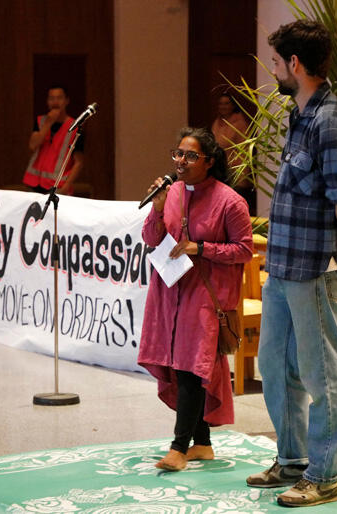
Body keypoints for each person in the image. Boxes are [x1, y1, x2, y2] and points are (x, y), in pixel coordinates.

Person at [244, 20, 337, 507]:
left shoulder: (331, 121)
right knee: (274, 364)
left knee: (323, 371)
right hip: (283, 263)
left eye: (276, 62)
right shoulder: (301, 114)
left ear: (295, 64)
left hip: (316, 267)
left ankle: (324, 474)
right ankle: (293, 458)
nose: (273, 69)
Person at [138, 127, 253, 472]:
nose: (181, 161)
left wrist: (200, 248)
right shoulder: (170, 192)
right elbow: (150, 237)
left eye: (190, 156)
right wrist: (158, 210)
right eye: (178, 154)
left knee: (191, 368)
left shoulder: (231, 201)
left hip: (206, 295)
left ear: (210, 161)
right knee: (177, 365)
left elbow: (244, 250)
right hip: (170, 290)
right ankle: (202, 443)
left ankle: (178, 448)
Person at [22, 85, 84, 195]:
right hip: (34, 184)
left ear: (66, 101)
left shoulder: (75, 126)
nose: (55, 102)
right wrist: (48, 123)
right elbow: (32, 145)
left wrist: (66, 187)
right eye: (51, 98)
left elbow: (78, 162)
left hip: (58, 186)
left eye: (59, 98)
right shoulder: (41, 121)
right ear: (47, 101)